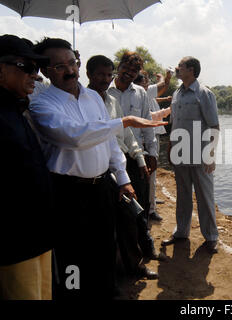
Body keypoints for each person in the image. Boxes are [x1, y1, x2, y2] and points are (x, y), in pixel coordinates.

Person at [29, 38, 165, 299]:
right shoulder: (42, 104)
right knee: (71, 251)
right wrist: (123, 121)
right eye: (59, 67)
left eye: (72, 63)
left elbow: (109, 141)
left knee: (104, 243)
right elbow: (74, 136)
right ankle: (74, 293)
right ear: (45, 70)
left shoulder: (93, 97)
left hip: (102, 185)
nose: (70, 71)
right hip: (67, 190)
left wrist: (123, 178)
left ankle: (107, 290)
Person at [86, 54, 159, 280]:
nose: (105, 79)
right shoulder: (81, 100)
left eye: (108, 75)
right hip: (95, 169)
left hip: (120, 164)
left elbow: (126, 134)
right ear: (89, 75)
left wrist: (141, 157)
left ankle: (134, 266)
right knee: (104, 226)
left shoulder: (114, 101)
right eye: (101, 74)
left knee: (132, 216)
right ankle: (107, 276)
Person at [0, 34, 55, 300]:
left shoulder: (16, 109)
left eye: (37, 69)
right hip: (15, 243)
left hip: (38, 236)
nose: (35, 75)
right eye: (27, 67)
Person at [162, 56, 220, 254]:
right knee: (183, 195)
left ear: (192, 70)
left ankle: (211, 237)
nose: (177, 68)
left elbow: (214, 126)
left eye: (181, 66)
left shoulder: (204, 94)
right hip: (180, 154)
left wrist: (210, 155)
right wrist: (170, 147)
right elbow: (174, 124)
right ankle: (181, 232)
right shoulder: (177, 94)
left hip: (200, 154)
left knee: (205, 196)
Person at [108, 52, 158, 222]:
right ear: (119, 67)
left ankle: (142, 239)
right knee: (115, 202)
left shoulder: (140, 93)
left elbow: (147, 125)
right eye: (126, 68)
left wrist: (152, 153)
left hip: (136, 157)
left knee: (139, 202)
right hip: (110, 157)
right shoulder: (104, 90)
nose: (129, 72)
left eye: (135, 70)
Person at [139, 70, 172, 221]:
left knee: (151, 173)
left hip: (152, 135)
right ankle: (149, 209)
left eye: (147, 79)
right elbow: (149, 117)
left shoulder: (146, 93)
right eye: (144, 80)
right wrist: (170, 110)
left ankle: (151, 202)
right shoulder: (141, 93)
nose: (147, 82)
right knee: (148, 173)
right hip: (145, 137)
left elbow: (159, 93)